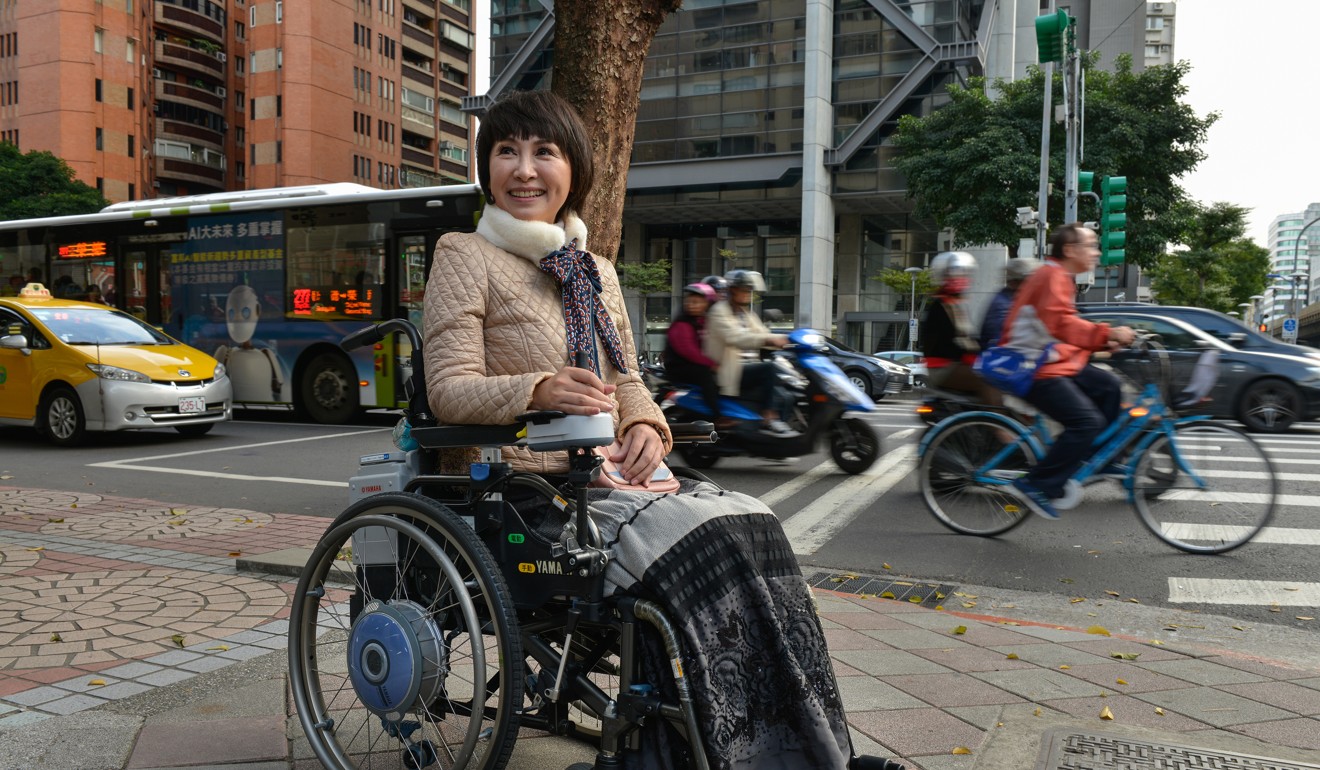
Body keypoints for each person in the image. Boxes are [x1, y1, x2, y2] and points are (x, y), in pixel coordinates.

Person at [423, 90, 876, 770]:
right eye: (505, 152)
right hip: (521, 487)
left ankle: (809, 747)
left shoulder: (593, 270)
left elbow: (628, 378)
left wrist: (646, 425)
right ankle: (710, 751)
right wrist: (538, 388)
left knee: (756, 525)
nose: (523, 170)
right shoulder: (465, 253)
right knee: (702, 545)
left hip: (612, 478)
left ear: (573, 169)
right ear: (486, 167)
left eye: (543, 152)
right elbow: (448, 389)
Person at [1000, 223, 1135, 520]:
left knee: (1109, 387)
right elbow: (1060, 325)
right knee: (1086, 422)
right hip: (1031, 367)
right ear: (1070, 250)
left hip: (1049, 360)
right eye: (1091, 245)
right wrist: (1109, 334)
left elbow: (1058, 332)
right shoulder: (1051, 276)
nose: (1097, 252)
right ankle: (1035, 484)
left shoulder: (1060, 277)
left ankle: (1105, 459)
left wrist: (1100, 345)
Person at [703, 269, 795, 434]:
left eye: (749, 291)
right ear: (732, 290)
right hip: (729, 370)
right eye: (744, 290)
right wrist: (768, 340)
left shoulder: (746, 314)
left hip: (746, 368)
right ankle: (769, 417)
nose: (748, 294)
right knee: (770, 368)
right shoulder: (719, 311)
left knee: (787, 392)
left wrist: (790, 338)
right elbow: (736, 337)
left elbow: (761, 333)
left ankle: (772, 439)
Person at [920, 252, 1002, 407]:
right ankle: (997, 427)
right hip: (942, 368)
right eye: (955, 275)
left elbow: (968, 338)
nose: (960, 279)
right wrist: (970, 355)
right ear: (943, 277)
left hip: (954, 364)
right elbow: (947, 344)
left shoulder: (956, 305)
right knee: (989, 380)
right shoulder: (939, 306)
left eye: (963, 274)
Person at [662, 282, 726, 427]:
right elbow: (689, 351)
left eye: (697, 302)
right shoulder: (682, 324)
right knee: (706, 376)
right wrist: (712, 365)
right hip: (680, 368)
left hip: (693, 364)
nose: (691, 305)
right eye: (690, 301)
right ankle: (718, 416)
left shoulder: (702, 321)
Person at [978, 256, 1040, 351]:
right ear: (1014, 283)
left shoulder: (1018, 301)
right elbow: (1003, 341)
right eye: (1029, 282)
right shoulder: (1002, 305)